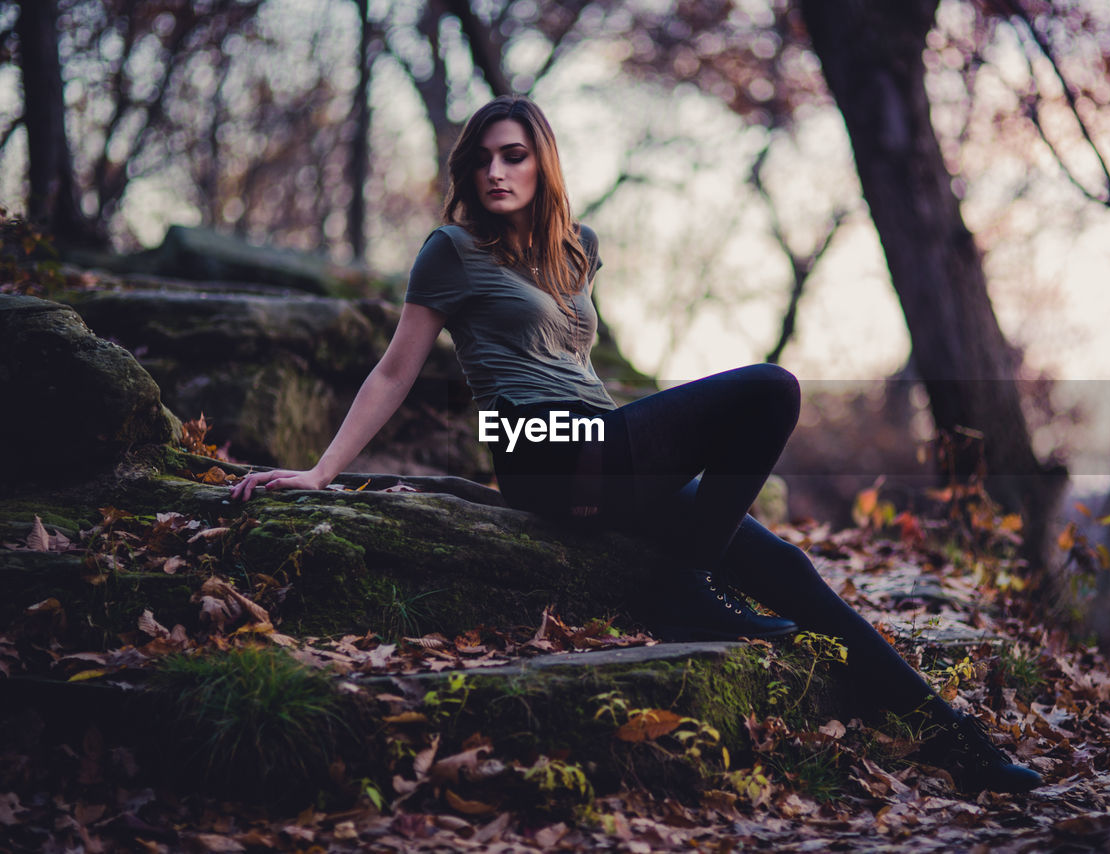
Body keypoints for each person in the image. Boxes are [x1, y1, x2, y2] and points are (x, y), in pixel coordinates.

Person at [229, 95, 1043, 794]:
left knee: (788, 572)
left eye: (513, 155)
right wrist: (322, 471)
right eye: (480, 160)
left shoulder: (579, 250)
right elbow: (394, 370)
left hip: (603, 449)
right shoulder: (451, 252)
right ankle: (683, 586)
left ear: (543, 162)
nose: (494, 172)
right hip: (538, 448)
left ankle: (962, 747)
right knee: (769, 388)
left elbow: (576, 367)